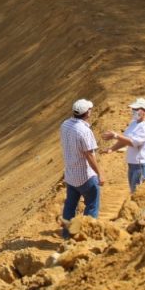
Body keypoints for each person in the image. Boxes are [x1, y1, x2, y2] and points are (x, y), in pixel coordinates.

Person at [59, 99, 104, 233]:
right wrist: (100, 173)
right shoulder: (84, 131)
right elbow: (89, 155)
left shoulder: (65, 124)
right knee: (92, 205)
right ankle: (86, 234)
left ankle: (67, 234)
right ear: (87, 113)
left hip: (71, 175)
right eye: (90, 109)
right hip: (85, 177)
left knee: (70, 206)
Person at [101, 97, 145, 193]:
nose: (134, 111)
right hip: (132, 165)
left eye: (137, 109)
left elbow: (134, 142)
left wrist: (115, 135)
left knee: (139, 195)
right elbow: (125, 140)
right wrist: (111, 149)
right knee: (133, 192)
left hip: (141, 166)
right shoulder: (133, 123)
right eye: (133, 109)